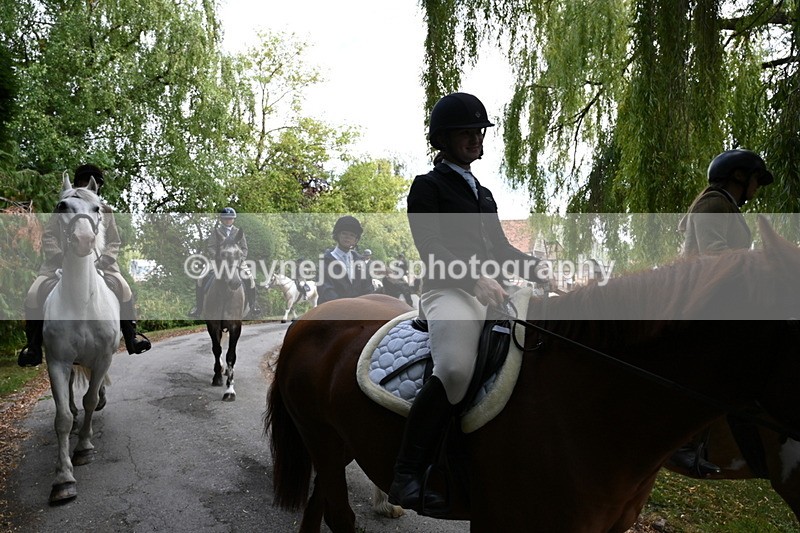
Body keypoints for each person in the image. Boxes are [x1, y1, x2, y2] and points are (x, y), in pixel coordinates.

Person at [389, 92, 543, 514]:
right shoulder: (428, 186)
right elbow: (432, 247)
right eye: (468, 132)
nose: (478, 138)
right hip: (448, 291)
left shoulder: (486, 194)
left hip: (492, 290)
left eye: (480, 131)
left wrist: (540, 270)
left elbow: (502, 250)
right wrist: (473, 277)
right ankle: (406, 474)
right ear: (444, 138)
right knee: (455, 370)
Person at [673, 148, 774, 476]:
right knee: (713, 368)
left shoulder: (724, 205)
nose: (757, 189)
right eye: (756, 180)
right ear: (740, 177)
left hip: (715, 298)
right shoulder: (713, 203)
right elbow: (714, 256)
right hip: (702, 300)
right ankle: (683, 446)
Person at [18, 164, 151, 366]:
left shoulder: (106, 211)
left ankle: (131, 337)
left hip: (102, 265)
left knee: (124, 289)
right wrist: (59, 257)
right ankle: (34, 346)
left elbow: (114, 241)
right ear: (78, 182)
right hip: (60, 264)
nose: (89, 185)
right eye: (85, 181)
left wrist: (105, 260)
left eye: (95, 183)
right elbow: (49, 237)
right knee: (33, 293)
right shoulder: (62, 206)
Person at [188, 207, 261, 318]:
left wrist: (241, 259)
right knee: (200, 279)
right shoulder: (216, 232)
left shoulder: (238, 232)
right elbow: (211, 247)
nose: (228, 220)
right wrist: (217, 257)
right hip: (217, 261)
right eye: (226, 219)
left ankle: (253, 305)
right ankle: (198, 308)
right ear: (222, 219)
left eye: (230, 218)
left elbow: (244, 248)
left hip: (236, 260)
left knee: (251, 279)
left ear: (233, 219)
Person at [317, 215, 373, 304]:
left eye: (352, 235)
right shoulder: (325, 261)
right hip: (332, 310)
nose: (348, 237)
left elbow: (368, 288)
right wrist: (346, 308)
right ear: (337, 235)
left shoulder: (360, 262)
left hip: (358, 309)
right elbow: (326, 291)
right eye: (344, 233)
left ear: (356, 240)